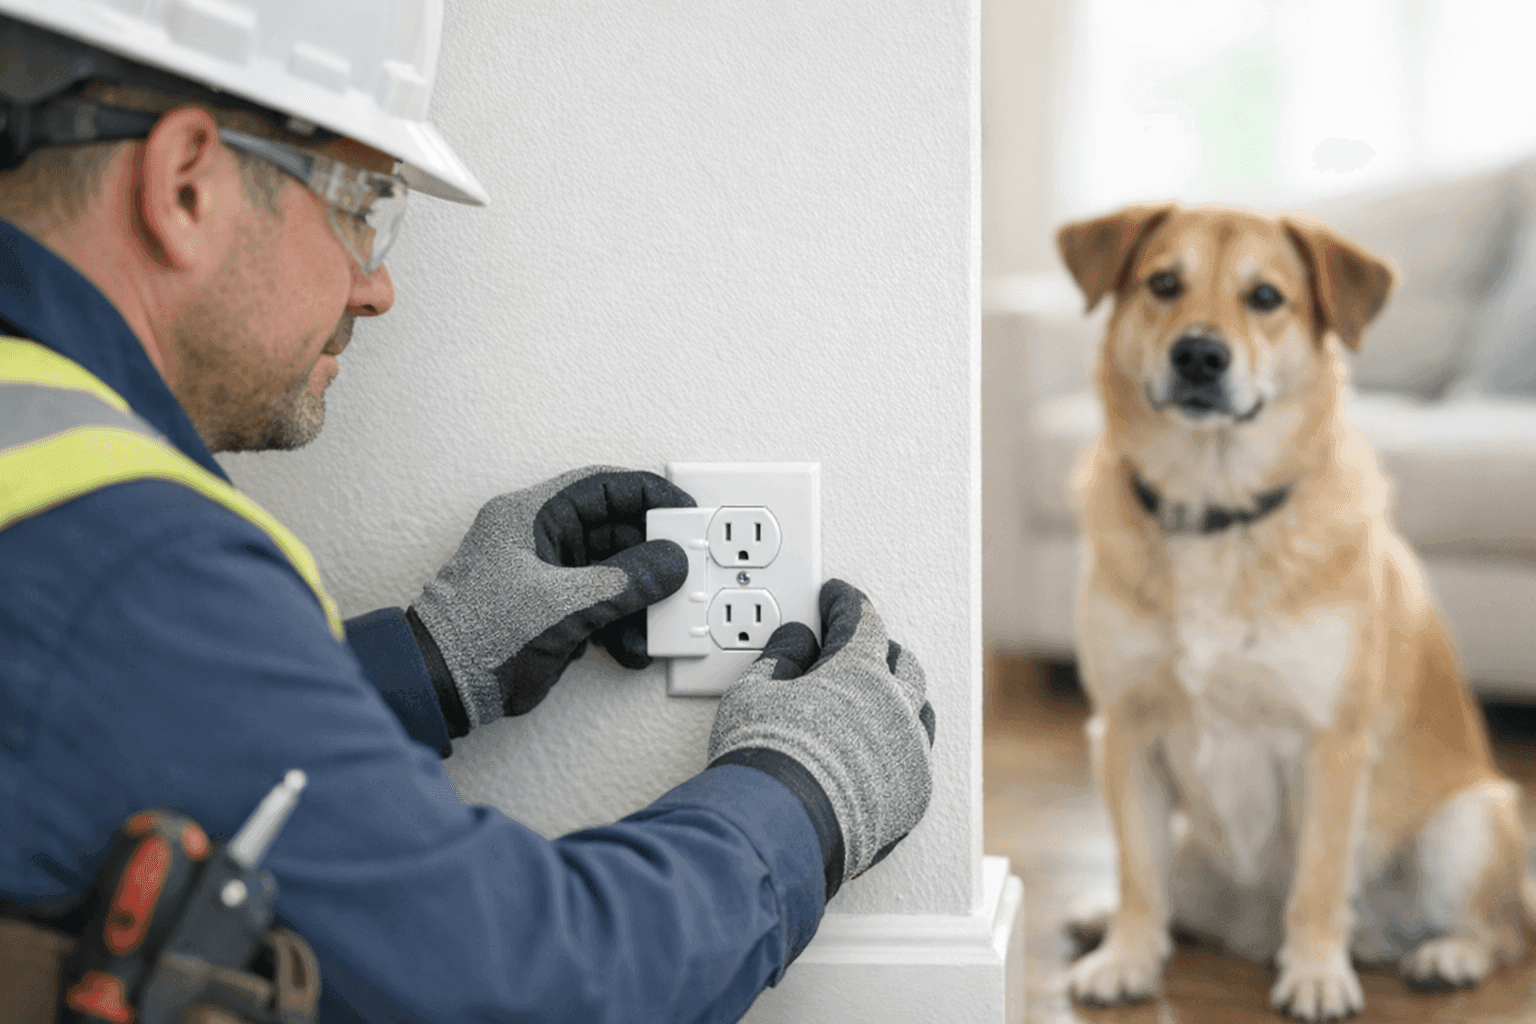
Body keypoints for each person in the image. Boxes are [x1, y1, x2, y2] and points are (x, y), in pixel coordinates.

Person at [0, 3, 936, 1022]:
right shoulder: (130, 561)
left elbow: (98, 725)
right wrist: (802, 795)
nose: (378, 284)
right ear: (185, 183)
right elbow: (529, 987)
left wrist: (426, 664)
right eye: (362, 202)